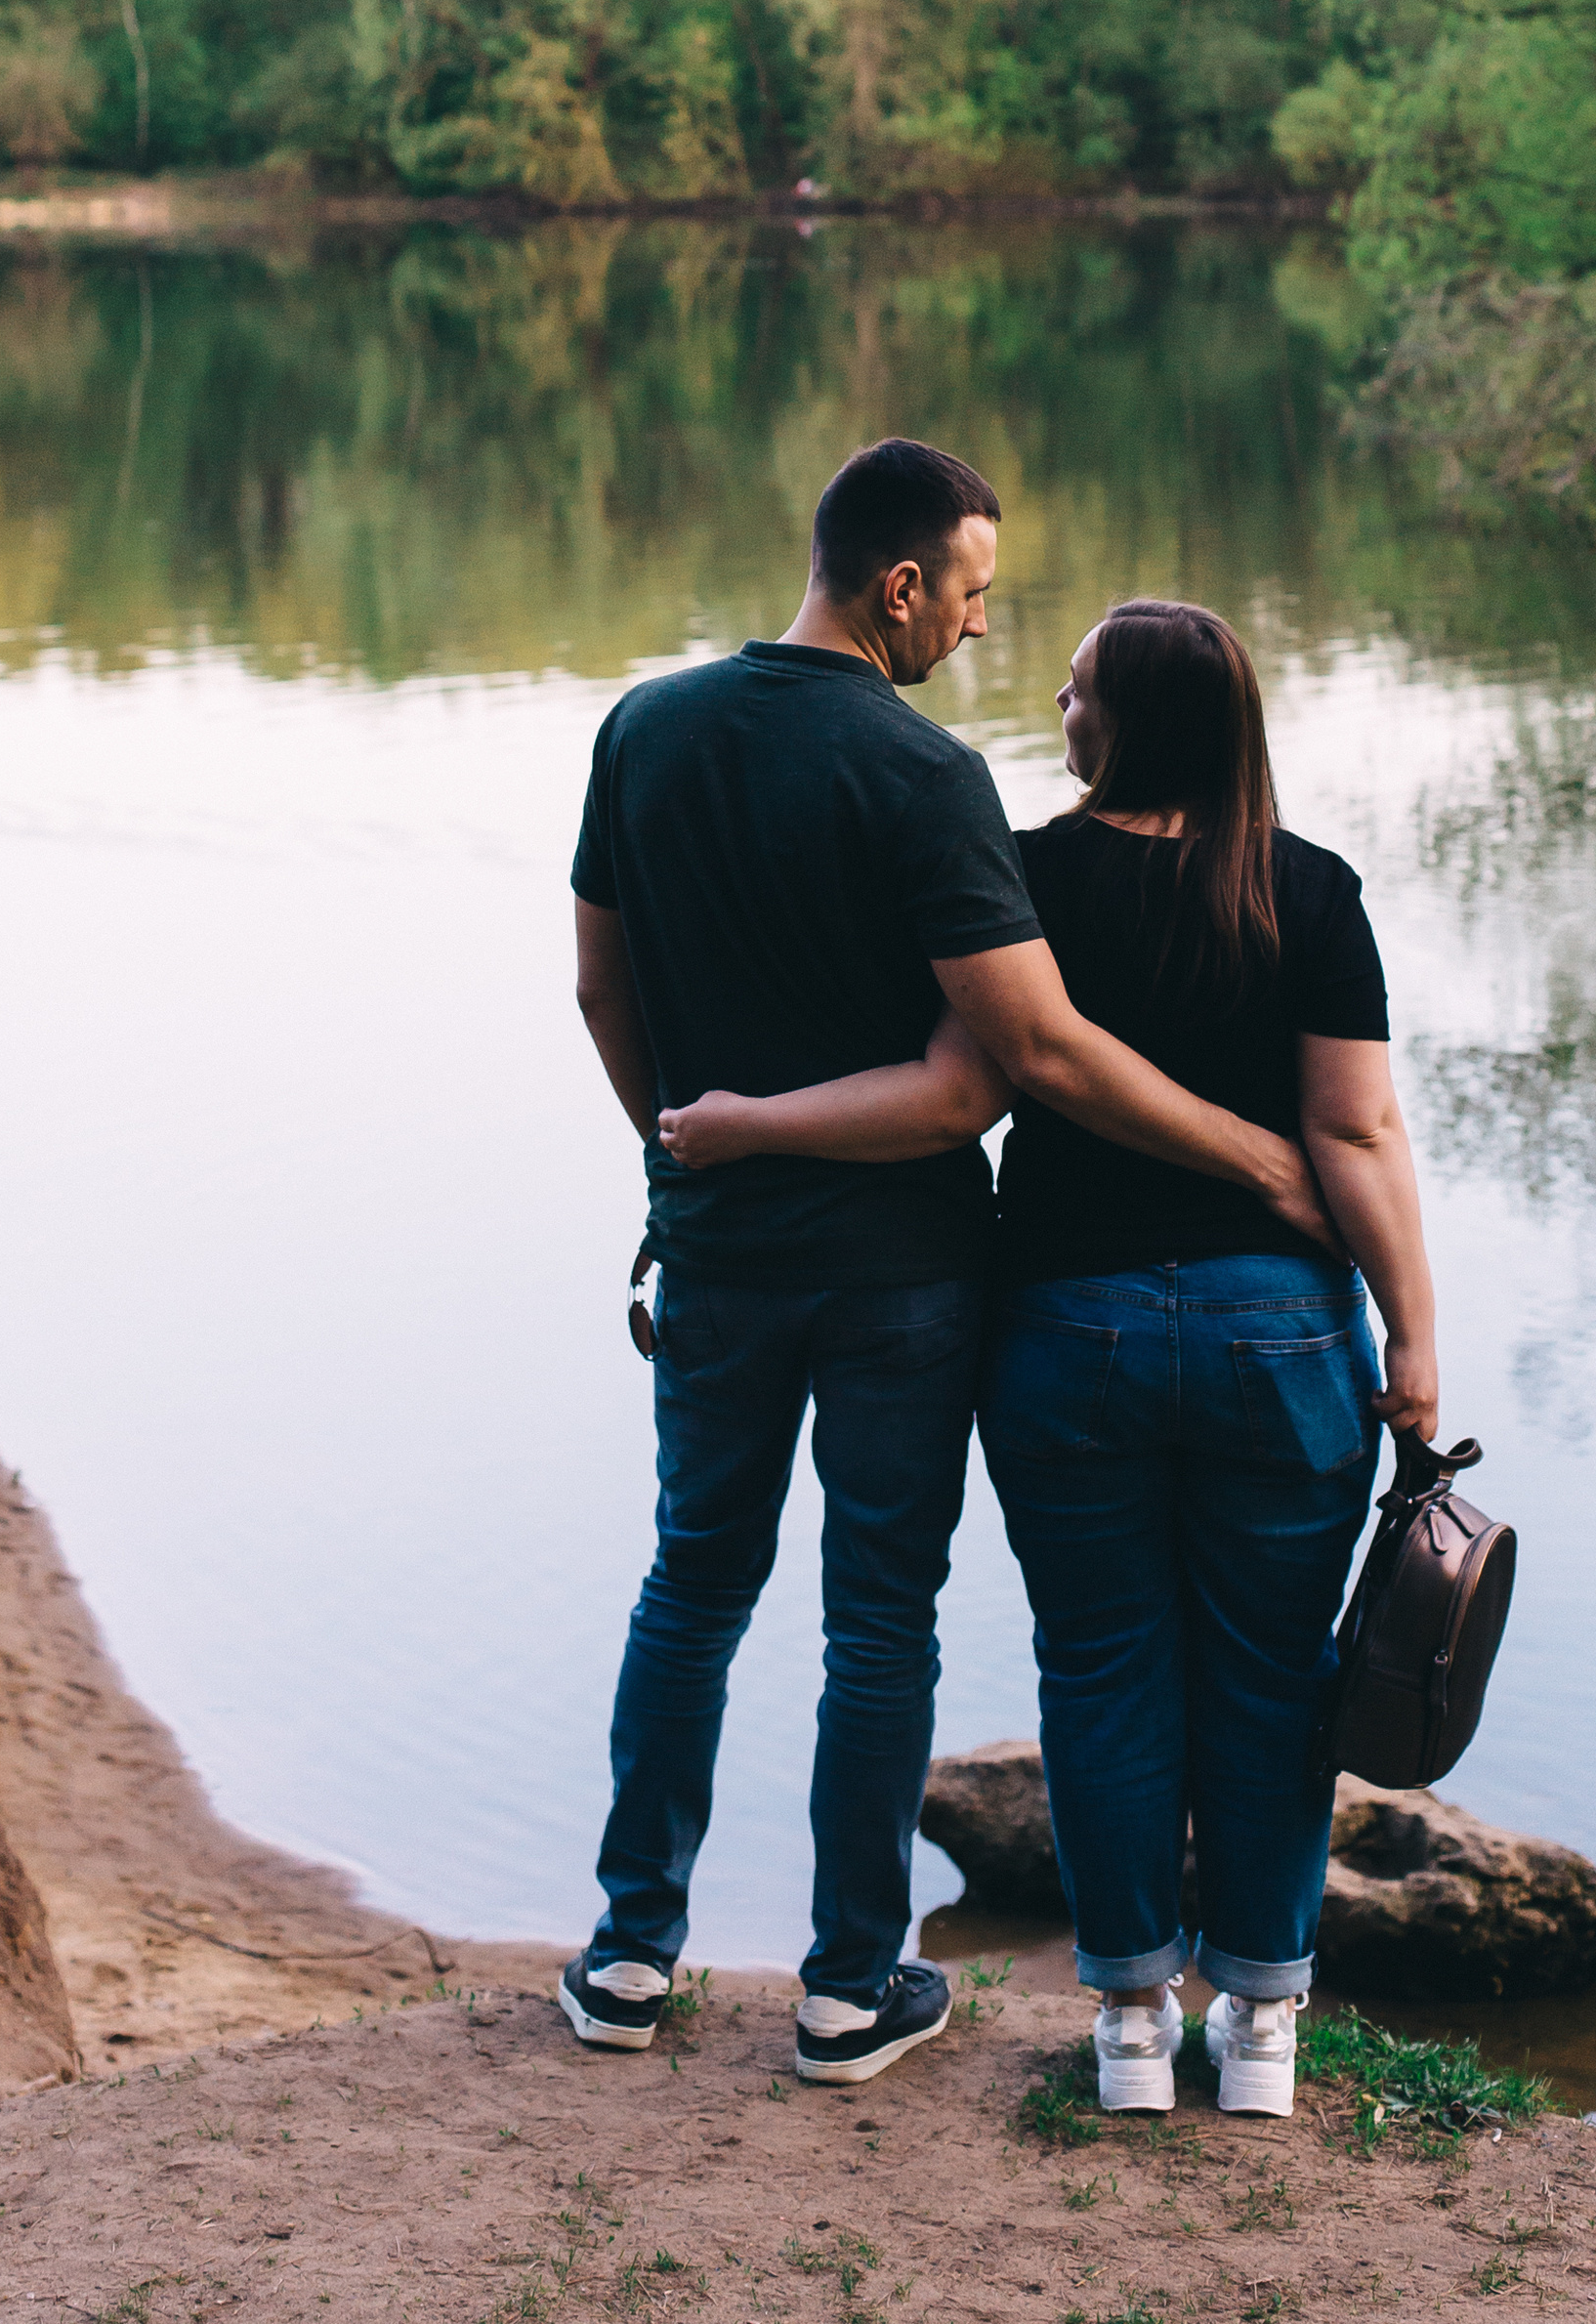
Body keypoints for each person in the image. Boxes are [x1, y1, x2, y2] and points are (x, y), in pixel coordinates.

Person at [563, 457, 1335, 2090]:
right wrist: (1264, 1160)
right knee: (878, 1620)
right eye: (973, 595)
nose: (981, 628)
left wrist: (682, 1149)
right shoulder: (924, 779)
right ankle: (850, 1989)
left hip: (715, 1256)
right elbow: (1000, 1069)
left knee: (691, 1581)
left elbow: (599, 993)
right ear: (900, 586)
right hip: (905, 1273)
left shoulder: (643, 730)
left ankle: (631, 1956)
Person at [662, 596, 1438, 2122]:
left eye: (1079, 690)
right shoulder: (1313, 890)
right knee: (1278, 1682)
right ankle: (1264, 2030)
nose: (1061, 708)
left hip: (1066, 1329)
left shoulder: (1018, 876)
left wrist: (743, 1122)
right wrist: (1413, 1335)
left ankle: (1134, 2025)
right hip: (1276, 1334)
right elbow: (1355, 1132)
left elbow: (966, 1082)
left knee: (1102, 1675)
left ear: (1126, 722)